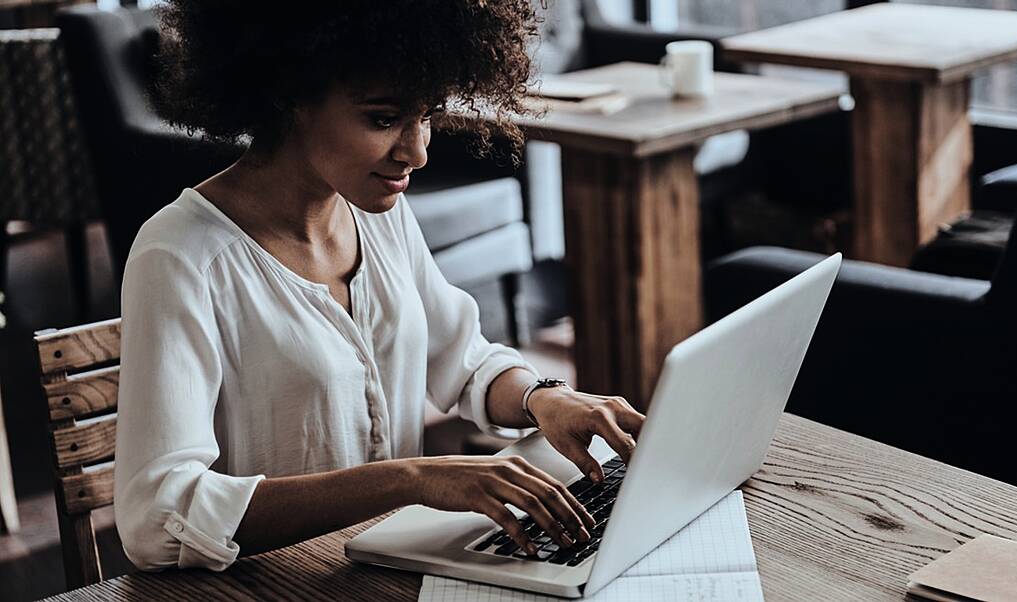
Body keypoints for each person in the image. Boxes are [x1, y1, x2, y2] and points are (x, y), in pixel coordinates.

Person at [114, 1, 646, 571]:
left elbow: (462, 361)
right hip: (273, 584)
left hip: (386, 569)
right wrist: (411, 479)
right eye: (383, 119)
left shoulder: (378, 212)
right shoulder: (181, 256)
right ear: (288, 94)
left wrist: (543, 398)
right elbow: (155, 518)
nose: (416, 151)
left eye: (427, 116)